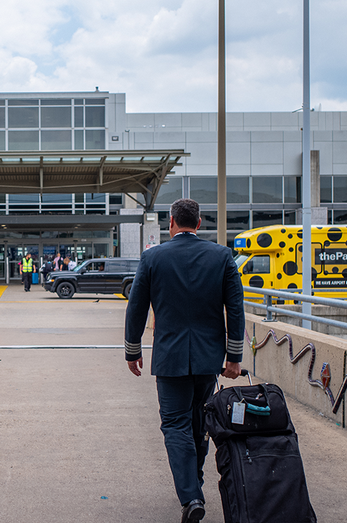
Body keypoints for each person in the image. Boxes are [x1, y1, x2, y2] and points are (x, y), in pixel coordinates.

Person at [124, 198, 244, 523]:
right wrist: (234, 356)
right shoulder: (222, 257)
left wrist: (131, 350)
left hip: (170, 358)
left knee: (175, 424)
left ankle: (191, 496)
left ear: (171, 222)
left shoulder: (152, 258)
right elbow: (235, 308)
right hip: (208, 358)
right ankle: (195, 485)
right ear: (200, 223)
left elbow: (135, 308)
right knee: (199, 423)